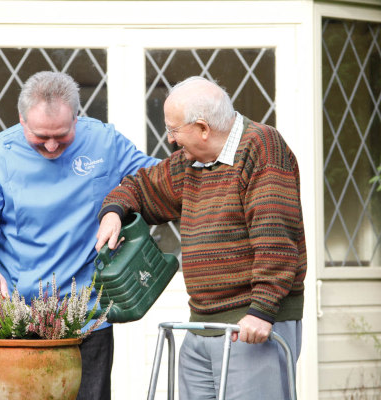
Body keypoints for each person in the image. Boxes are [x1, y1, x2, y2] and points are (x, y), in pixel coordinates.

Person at [95, 76, 306, 400]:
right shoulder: (190, 163)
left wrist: (262, 310)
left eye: (174, 129)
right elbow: (142, 187)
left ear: (203, 128)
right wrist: (113, 211)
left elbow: (276, 237)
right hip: (201, 323)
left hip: (250, 325)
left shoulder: (261, 147)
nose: (171, 139)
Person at [0, 71, 158, 400]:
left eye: (62, 136)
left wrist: (117, 208)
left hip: (89, 318)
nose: (51, 146)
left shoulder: (105, 142)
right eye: (40, 136)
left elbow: (155, 182)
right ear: (21, 120)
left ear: (77, 118)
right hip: (22, 319)